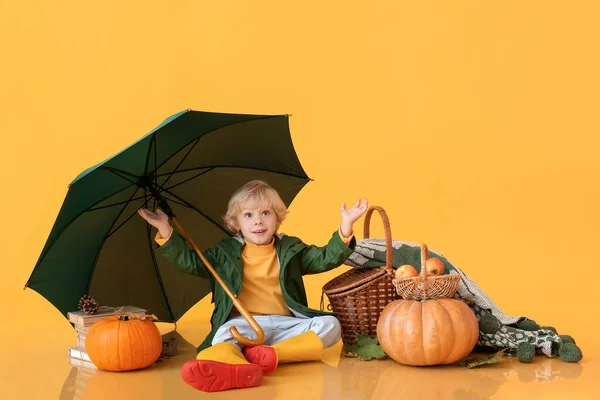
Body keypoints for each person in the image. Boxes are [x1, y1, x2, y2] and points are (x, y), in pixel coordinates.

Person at [138, 180, 367, 392]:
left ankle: (270, 355)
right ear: (236, 223)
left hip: (288, 325)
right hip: (243, 324)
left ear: (277, 219)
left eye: (265, 213)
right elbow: (191, 262)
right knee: (221, 337)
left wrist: (345, 227)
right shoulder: (224, 252)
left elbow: (324, 257)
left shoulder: (291, 249)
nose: (258, 221)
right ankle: (238, 369)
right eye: (248, 215)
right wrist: (166, 230)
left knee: (331, 325)